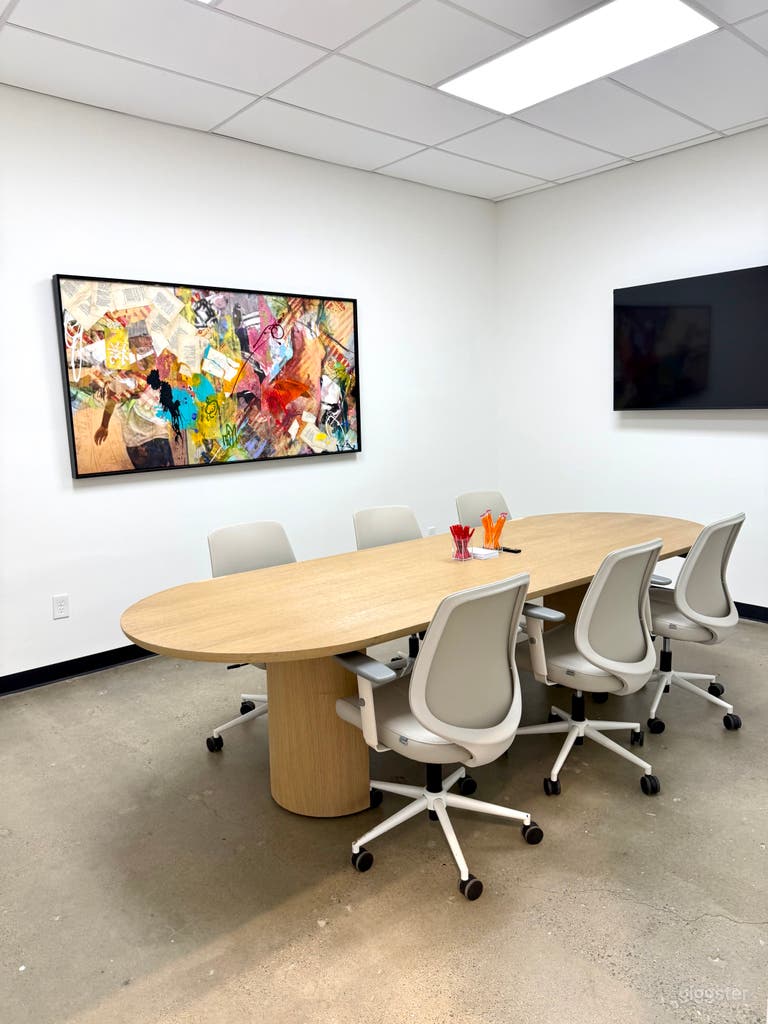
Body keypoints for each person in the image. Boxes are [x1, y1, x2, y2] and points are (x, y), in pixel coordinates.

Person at [94, 368, 180, 470]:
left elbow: (111, 401)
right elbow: (112, 401)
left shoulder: (125, 381)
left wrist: (104, 425)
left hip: (142, 439)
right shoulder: (126, 381)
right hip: (146, 437)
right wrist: (104, 425)